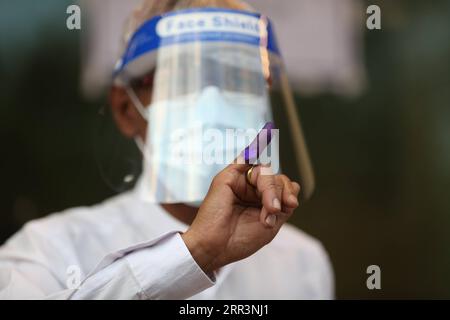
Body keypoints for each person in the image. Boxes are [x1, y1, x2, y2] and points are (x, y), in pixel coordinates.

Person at [0, 0, 334, 299]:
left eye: (238, 78)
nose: (214, 102)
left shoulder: (303, 261)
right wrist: (193, 254)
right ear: (126, 109)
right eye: (186, 77)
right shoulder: (50, 250)